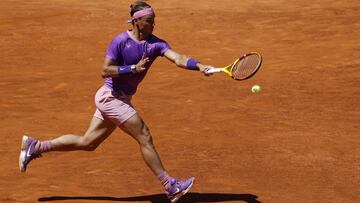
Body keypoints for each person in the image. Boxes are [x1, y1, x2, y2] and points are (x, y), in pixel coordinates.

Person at [19, 1, 214, 202]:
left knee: (88, 142)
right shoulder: (120, 41)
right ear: (137, 22)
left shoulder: (157, 44)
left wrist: (198, 66)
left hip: (120, 98)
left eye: (154, 20)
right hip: (110, 96)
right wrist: (131, 68)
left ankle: (36, 146)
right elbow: (105, 70)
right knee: (144, 135)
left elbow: (178, 58)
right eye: (149, 21)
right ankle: (170, 186)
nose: (153, 24)